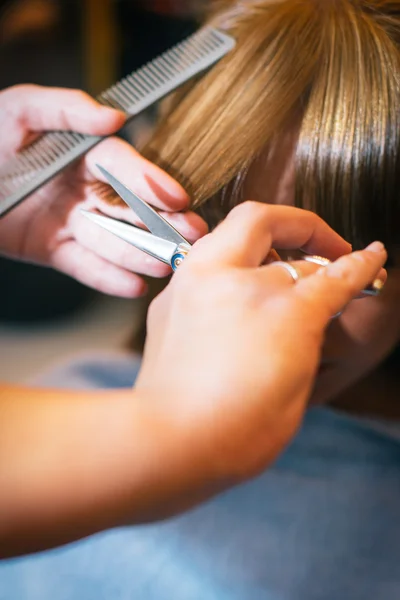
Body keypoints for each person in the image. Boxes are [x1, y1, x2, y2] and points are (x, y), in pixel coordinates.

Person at [1, 1, 399, 599]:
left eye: (325, 265)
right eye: (229, 241)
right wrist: (174, 433)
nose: (266, 301)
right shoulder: (64, 406)